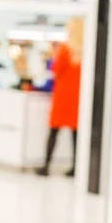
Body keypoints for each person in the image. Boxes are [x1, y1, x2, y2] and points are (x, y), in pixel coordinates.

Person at [36, 17, 84, 177]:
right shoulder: (86, 50)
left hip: (63, 97)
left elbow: (56, 71)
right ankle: (75, 168)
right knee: (76, 135)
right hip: (78, 98)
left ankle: (46, 166)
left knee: (54, 132)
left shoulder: (65, 49)